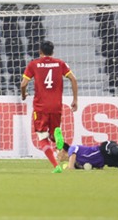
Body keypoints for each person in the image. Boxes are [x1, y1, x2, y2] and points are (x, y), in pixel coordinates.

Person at [20, 40, 78, 173]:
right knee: (53, 134)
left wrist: (23, 95)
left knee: (42, 138)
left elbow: (23, 84)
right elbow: (73, 79)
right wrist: (75, 100)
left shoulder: (34, 64)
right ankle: (57, 135)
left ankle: (56, 166)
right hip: (56, 106)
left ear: (40, 52)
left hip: (41, 107)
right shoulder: (60, 63)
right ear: (53, 52)